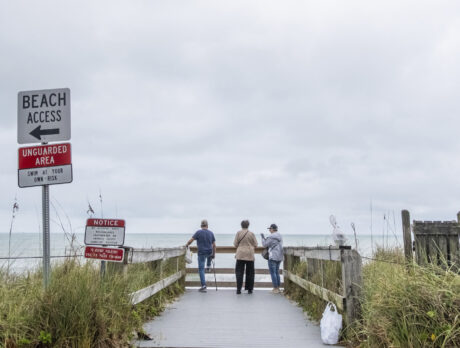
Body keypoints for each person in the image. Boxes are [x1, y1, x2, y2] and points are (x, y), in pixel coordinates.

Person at [185, 219, 216, 293]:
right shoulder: (211, 233)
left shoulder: (198, 232)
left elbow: (190, 241)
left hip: (201, 253)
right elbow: (214, 245)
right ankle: (208, 266)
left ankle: (204, 286)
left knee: (201, 269)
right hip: (209, 252)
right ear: (207, 226)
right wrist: (213, 254)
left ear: (201, 226)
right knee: (209, 255)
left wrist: (186, 245)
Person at [233, 220, 258, 295]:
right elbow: (256, 244)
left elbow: (235, 244)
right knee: (250, 273)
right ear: (248, 225)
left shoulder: (238, 233)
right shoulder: (251, 233)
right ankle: (249, 289)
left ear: (241, 225)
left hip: (240, 254)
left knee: (239, 272)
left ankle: (238, 289)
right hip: (250, 254)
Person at [261, 223, 283, 293]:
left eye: (270, 229)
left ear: (273, 229)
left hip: (273, 256)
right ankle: (278, 288)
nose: (269, 230)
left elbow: (264, 245)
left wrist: (262, 238)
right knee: (276, 272)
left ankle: (275, 288)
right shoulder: (280, 236)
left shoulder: (271, 237)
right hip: (279, 256)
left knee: (273, 272)